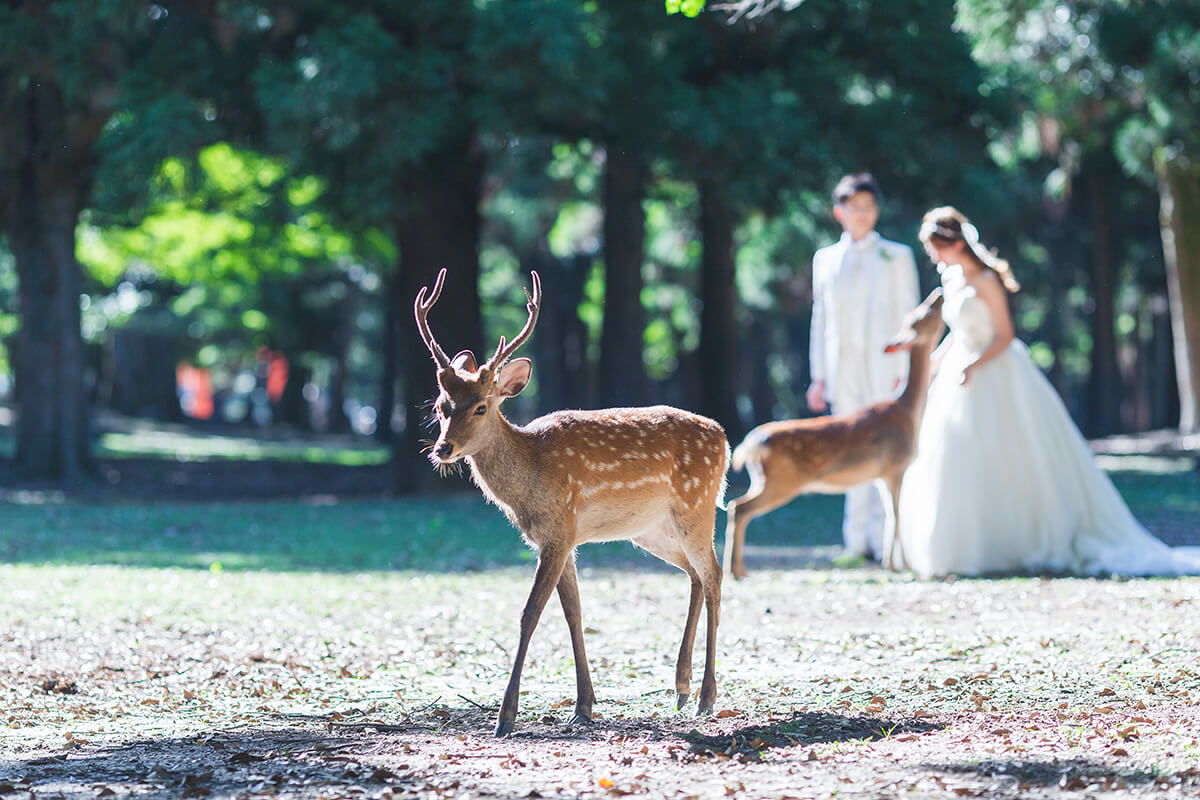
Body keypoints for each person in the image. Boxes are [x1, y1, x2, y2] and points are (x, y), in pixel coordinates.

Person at [897, 206, 1200, 577]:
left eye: (937, 248)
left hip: (996, 371)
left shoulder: (987, 281)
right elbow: (955, 335)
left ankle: (1022, 540)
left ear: (957, 243)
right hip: (959, 375)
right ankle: (967, 548)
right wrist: (931, 368)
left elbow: (1005, 336)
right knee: (952, 458)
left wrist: (973, 365)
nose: (934, 257)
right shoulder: (950, 278)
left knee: (1012, 456)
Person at [808, 173, 920, 560]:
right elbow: (820, 318)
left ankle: (887, 538)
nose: (863, 215)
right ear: (839, 212)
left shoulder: (896, 256)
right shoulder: (825, 259)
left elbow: (910, 315)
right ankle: (856, 539)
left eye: (869, 207)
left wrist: (906, 368)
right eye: (855, 208)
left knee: (885, 447)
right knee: (849, 445)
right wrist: (818, 376)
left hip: (885, 365)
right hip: (843, 366)